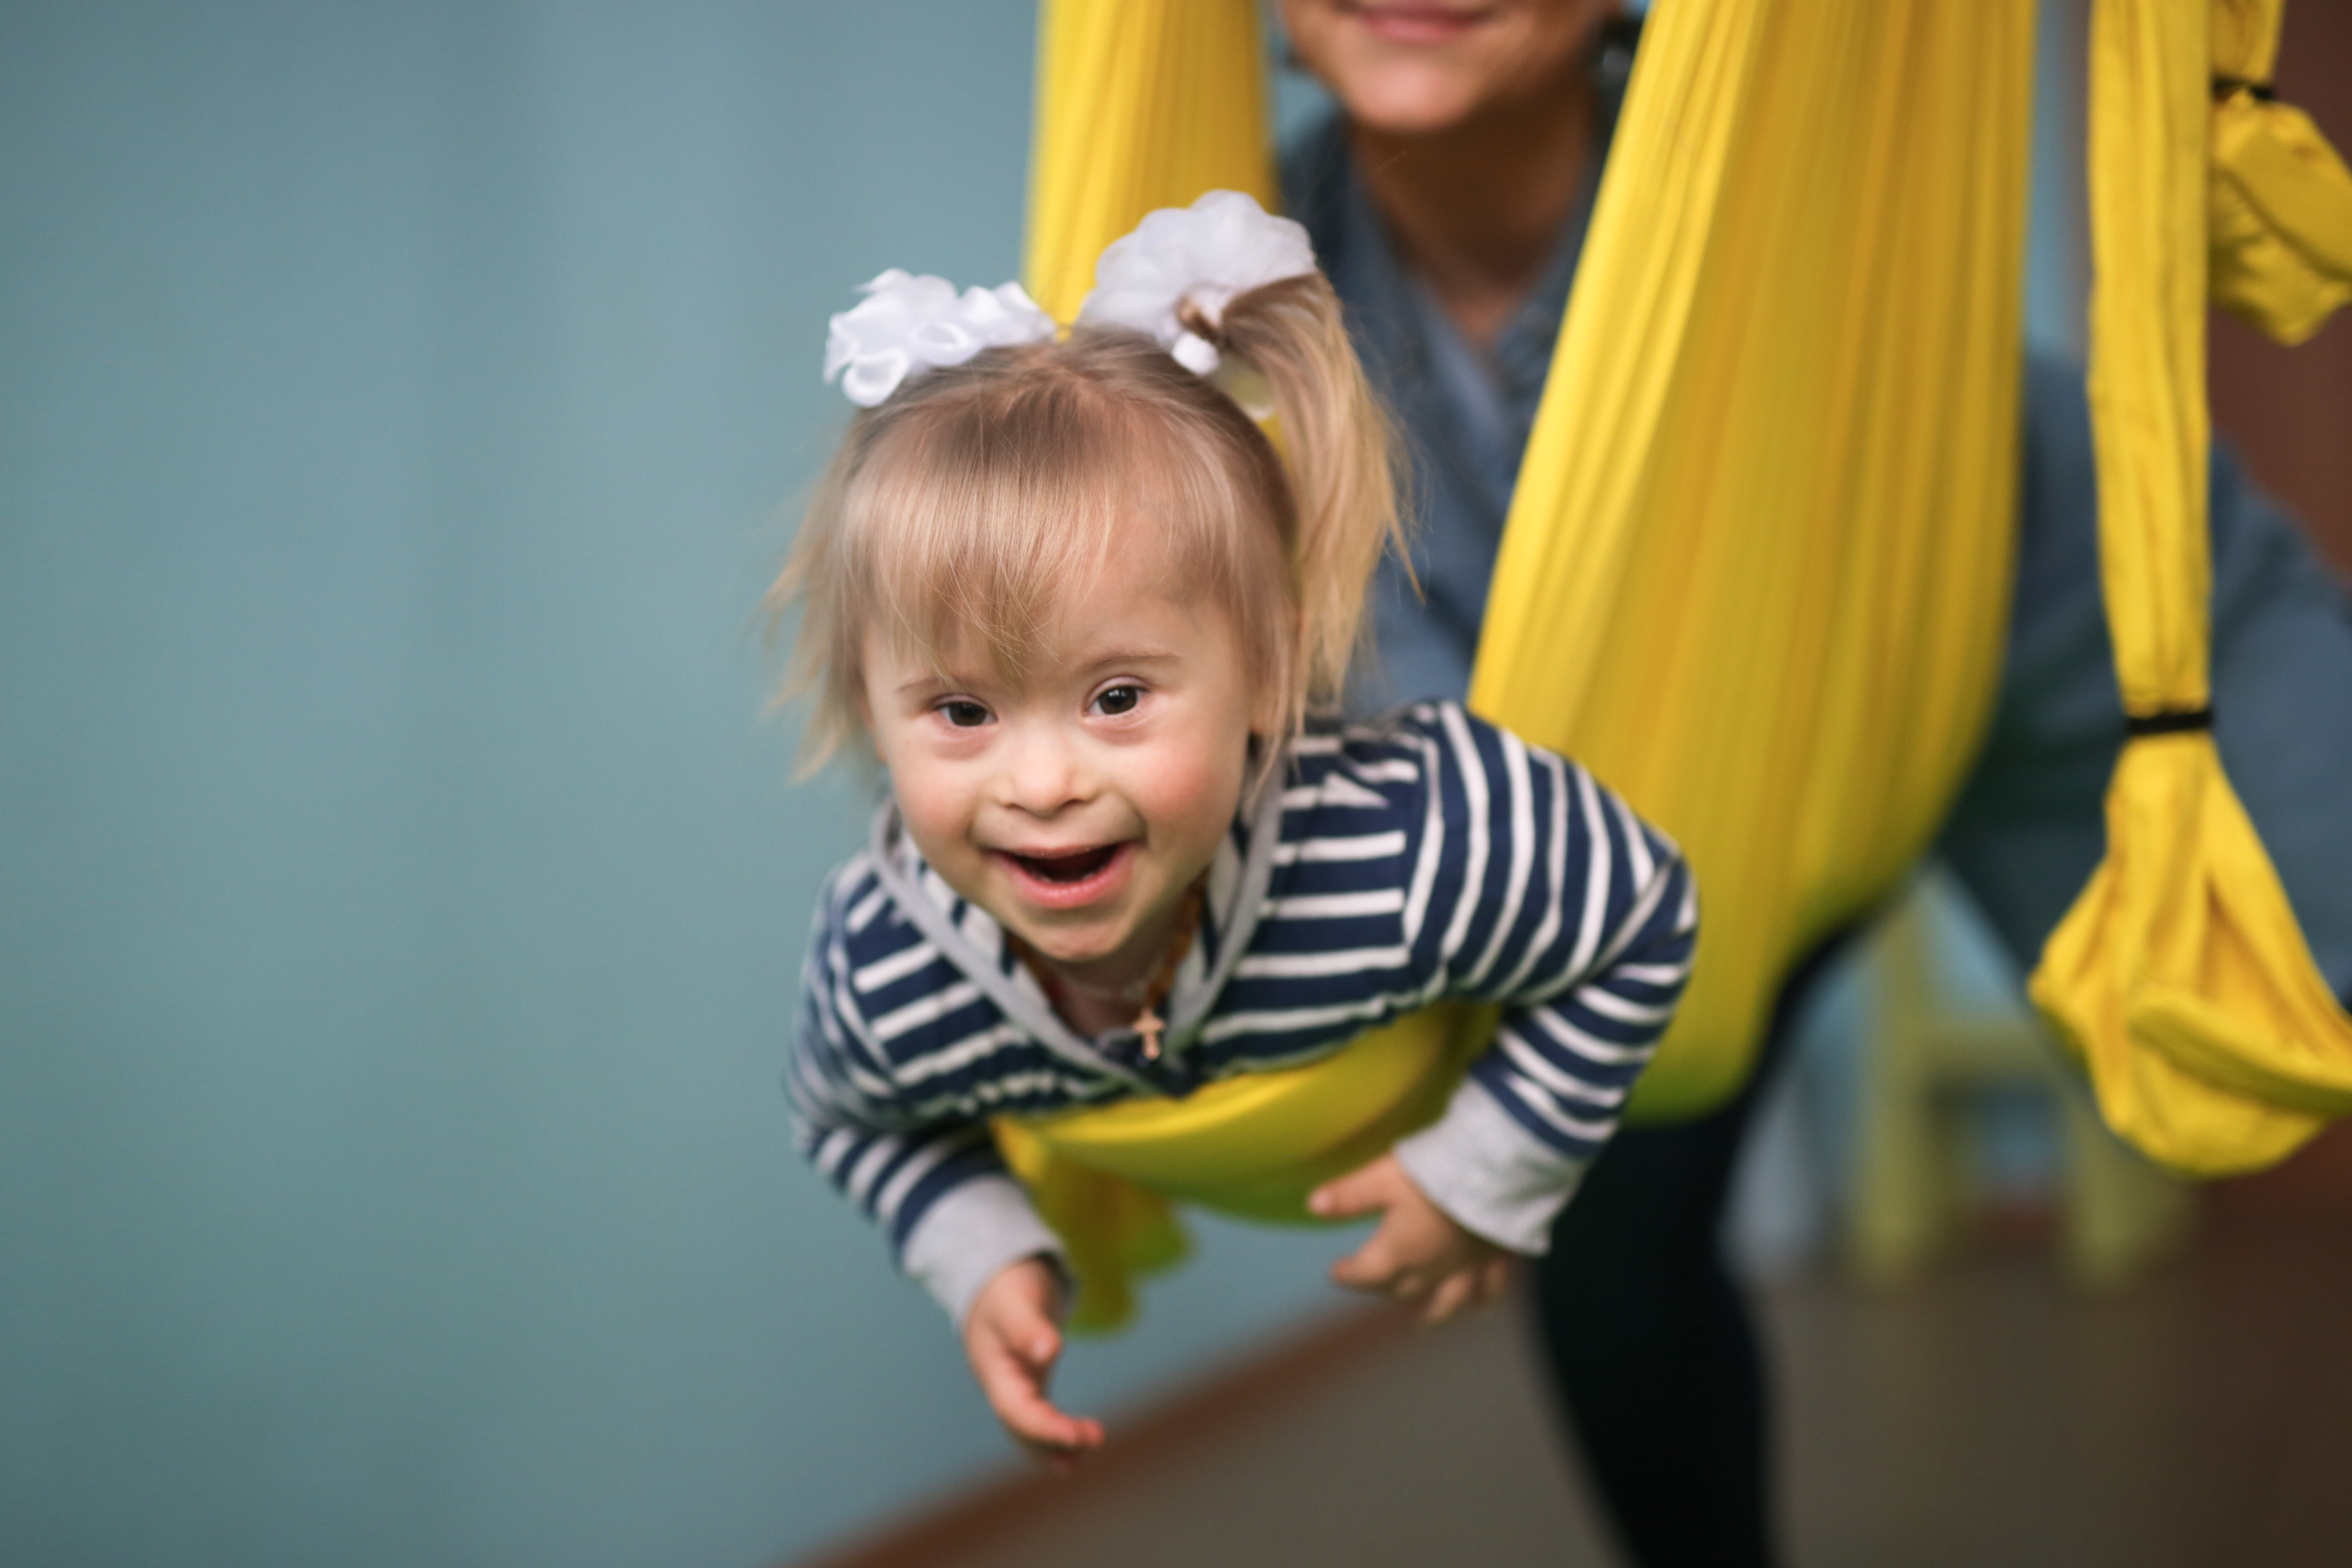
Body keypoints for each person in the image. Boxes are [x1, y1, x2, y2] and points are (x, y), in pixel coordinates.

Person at [1276, 2, 2352, 1564]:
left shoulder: (1773, 141)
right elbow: (1388, 696)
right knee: (1612, 1226)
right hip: (1661, 795)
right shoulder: (1232, 279)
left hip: (2004, 617)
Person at [775, 193, 1698, 1463]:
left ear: (1268, 674)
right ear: (877, 719)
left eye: (1116, 699)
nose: (1041, 782)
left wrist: (1488, 1170)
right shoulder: (888, 968)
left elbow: (1643, 912)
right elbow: (849, 1117)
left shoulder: (1420, 845)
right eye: (962, 711)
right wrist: (979, 1254)